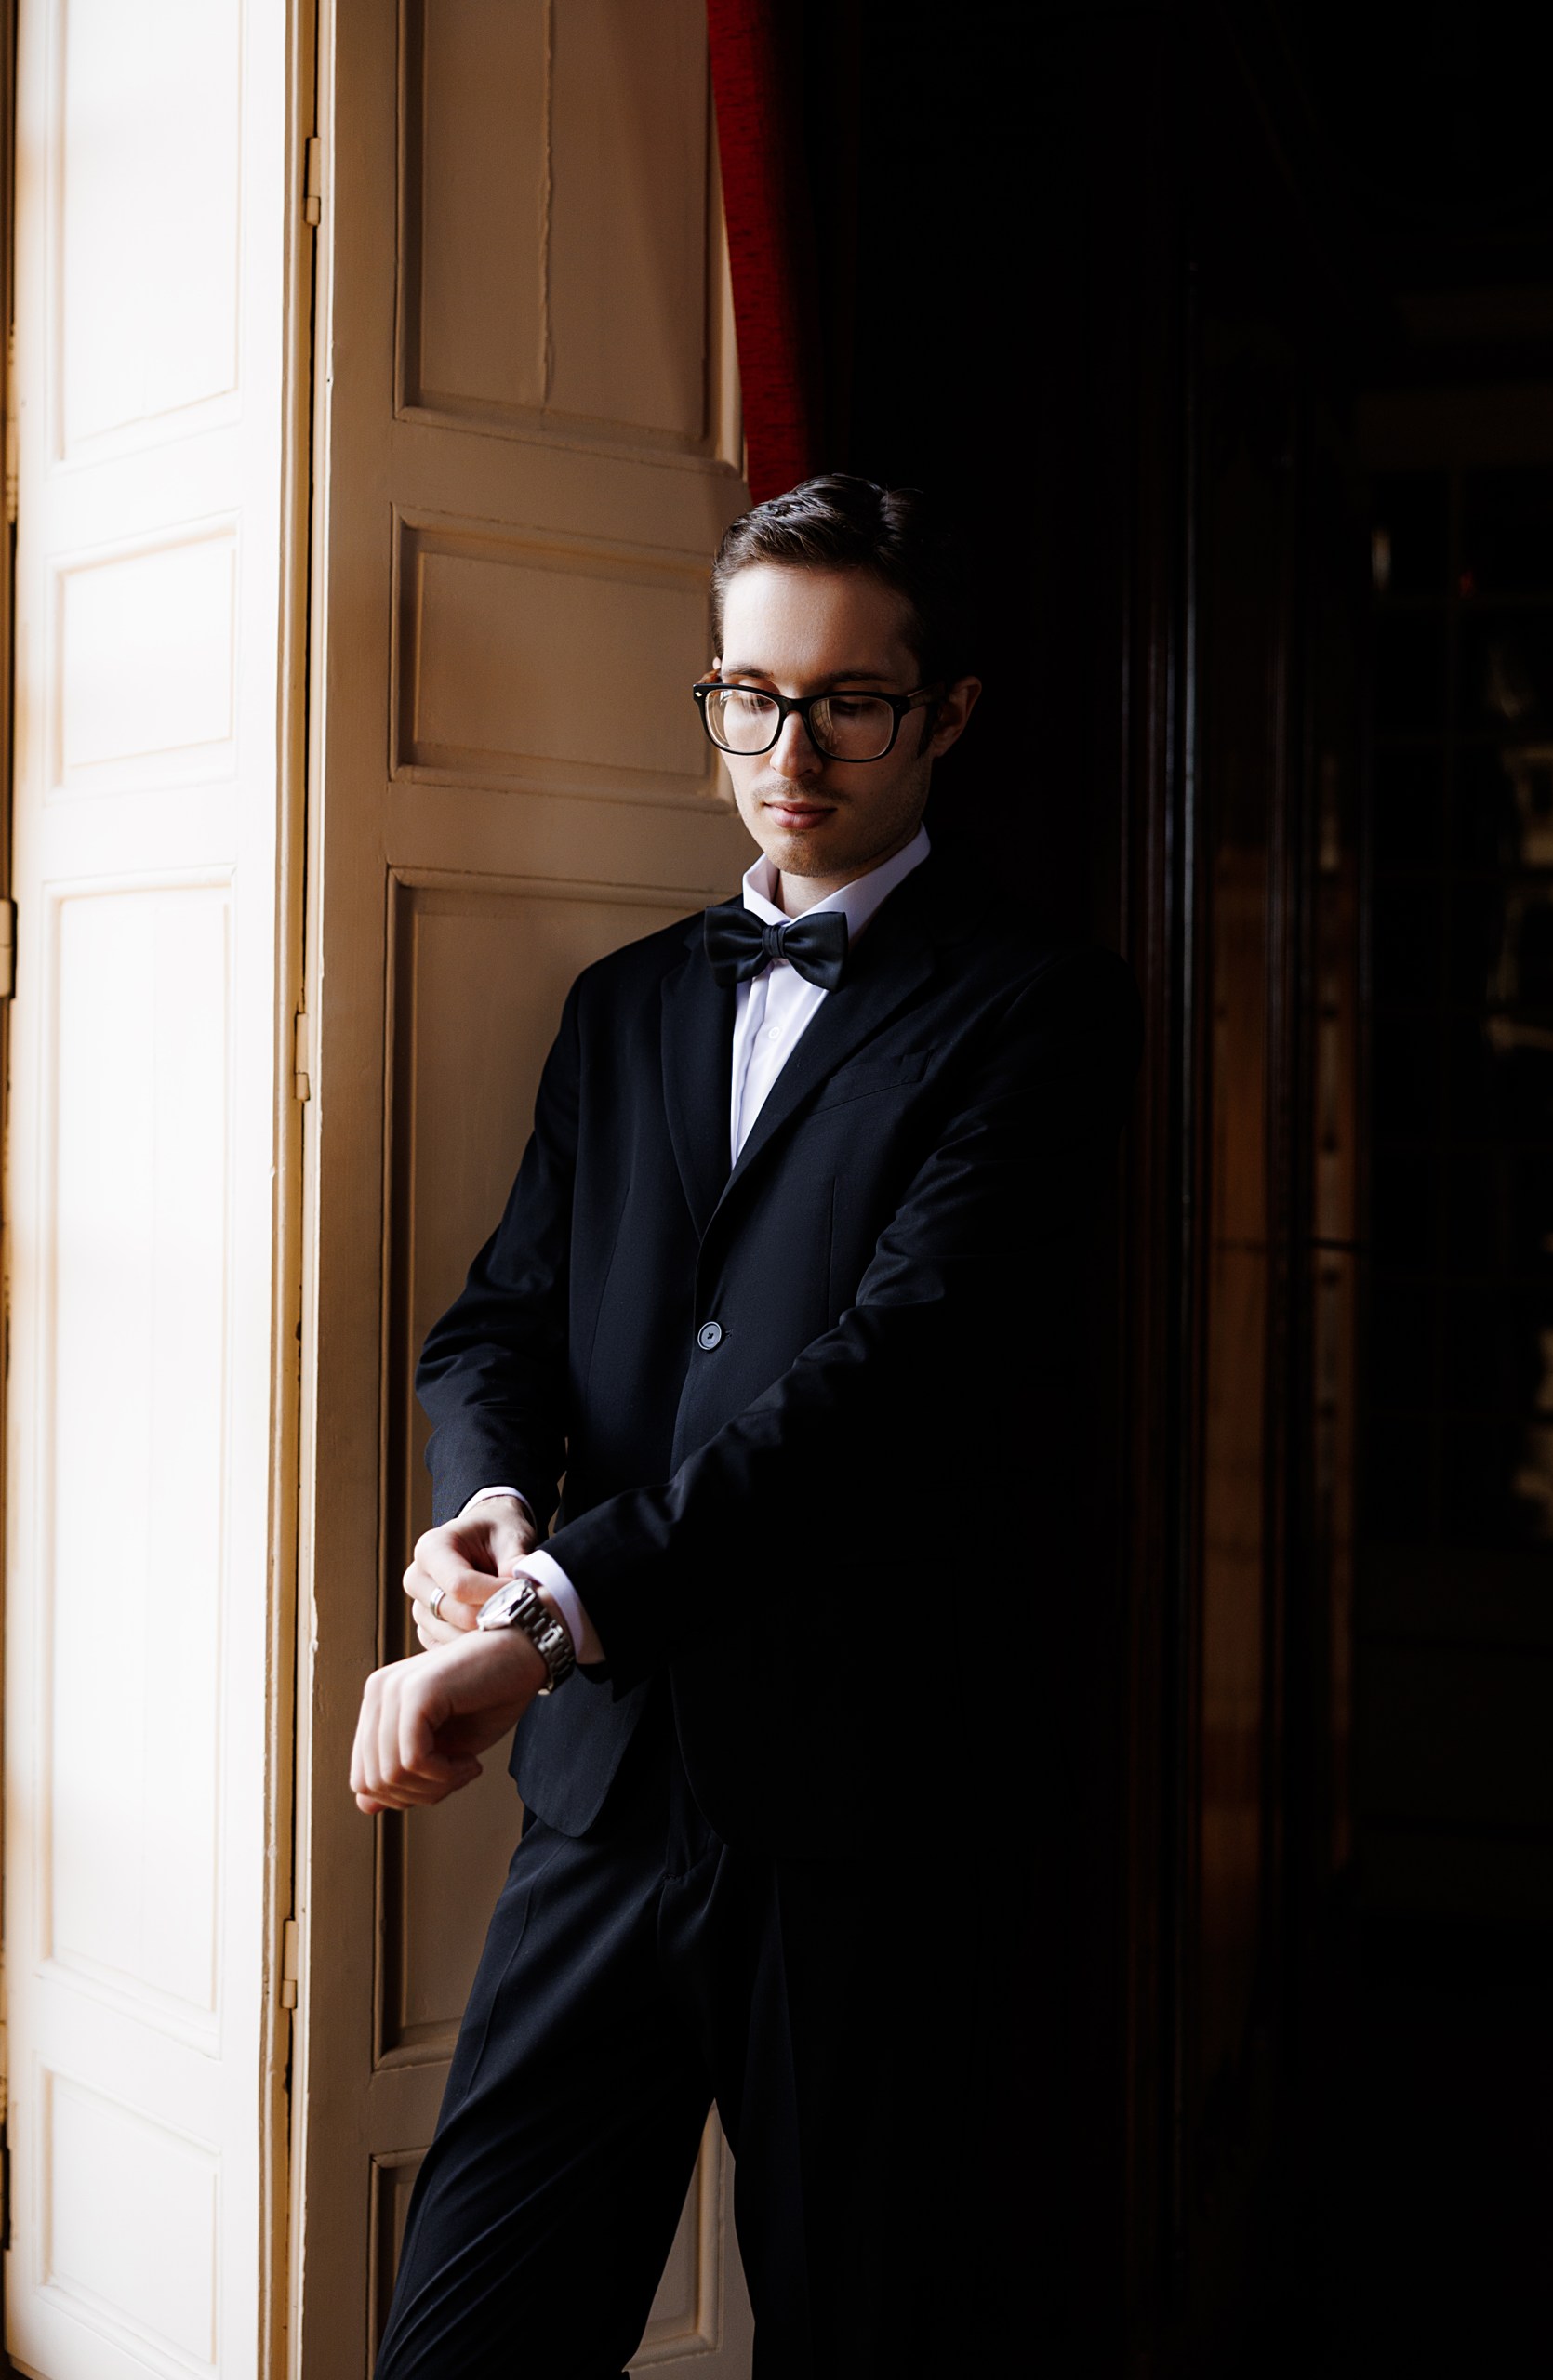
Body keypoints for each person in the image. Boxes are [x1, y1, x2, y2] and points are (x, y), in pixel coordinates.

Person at [350, 474, 1139, 2377]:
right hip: (608, 1800)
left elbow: (886, 1391)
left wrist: (547, 1624)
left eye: (849, 701)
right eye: (749, 697)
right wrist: (488, 1503)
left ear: (945, 713)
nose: (789, 754)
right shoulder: (622, 1006)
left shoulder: (1042, 1012)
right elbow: (499, 1320)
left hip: (873, 1825)